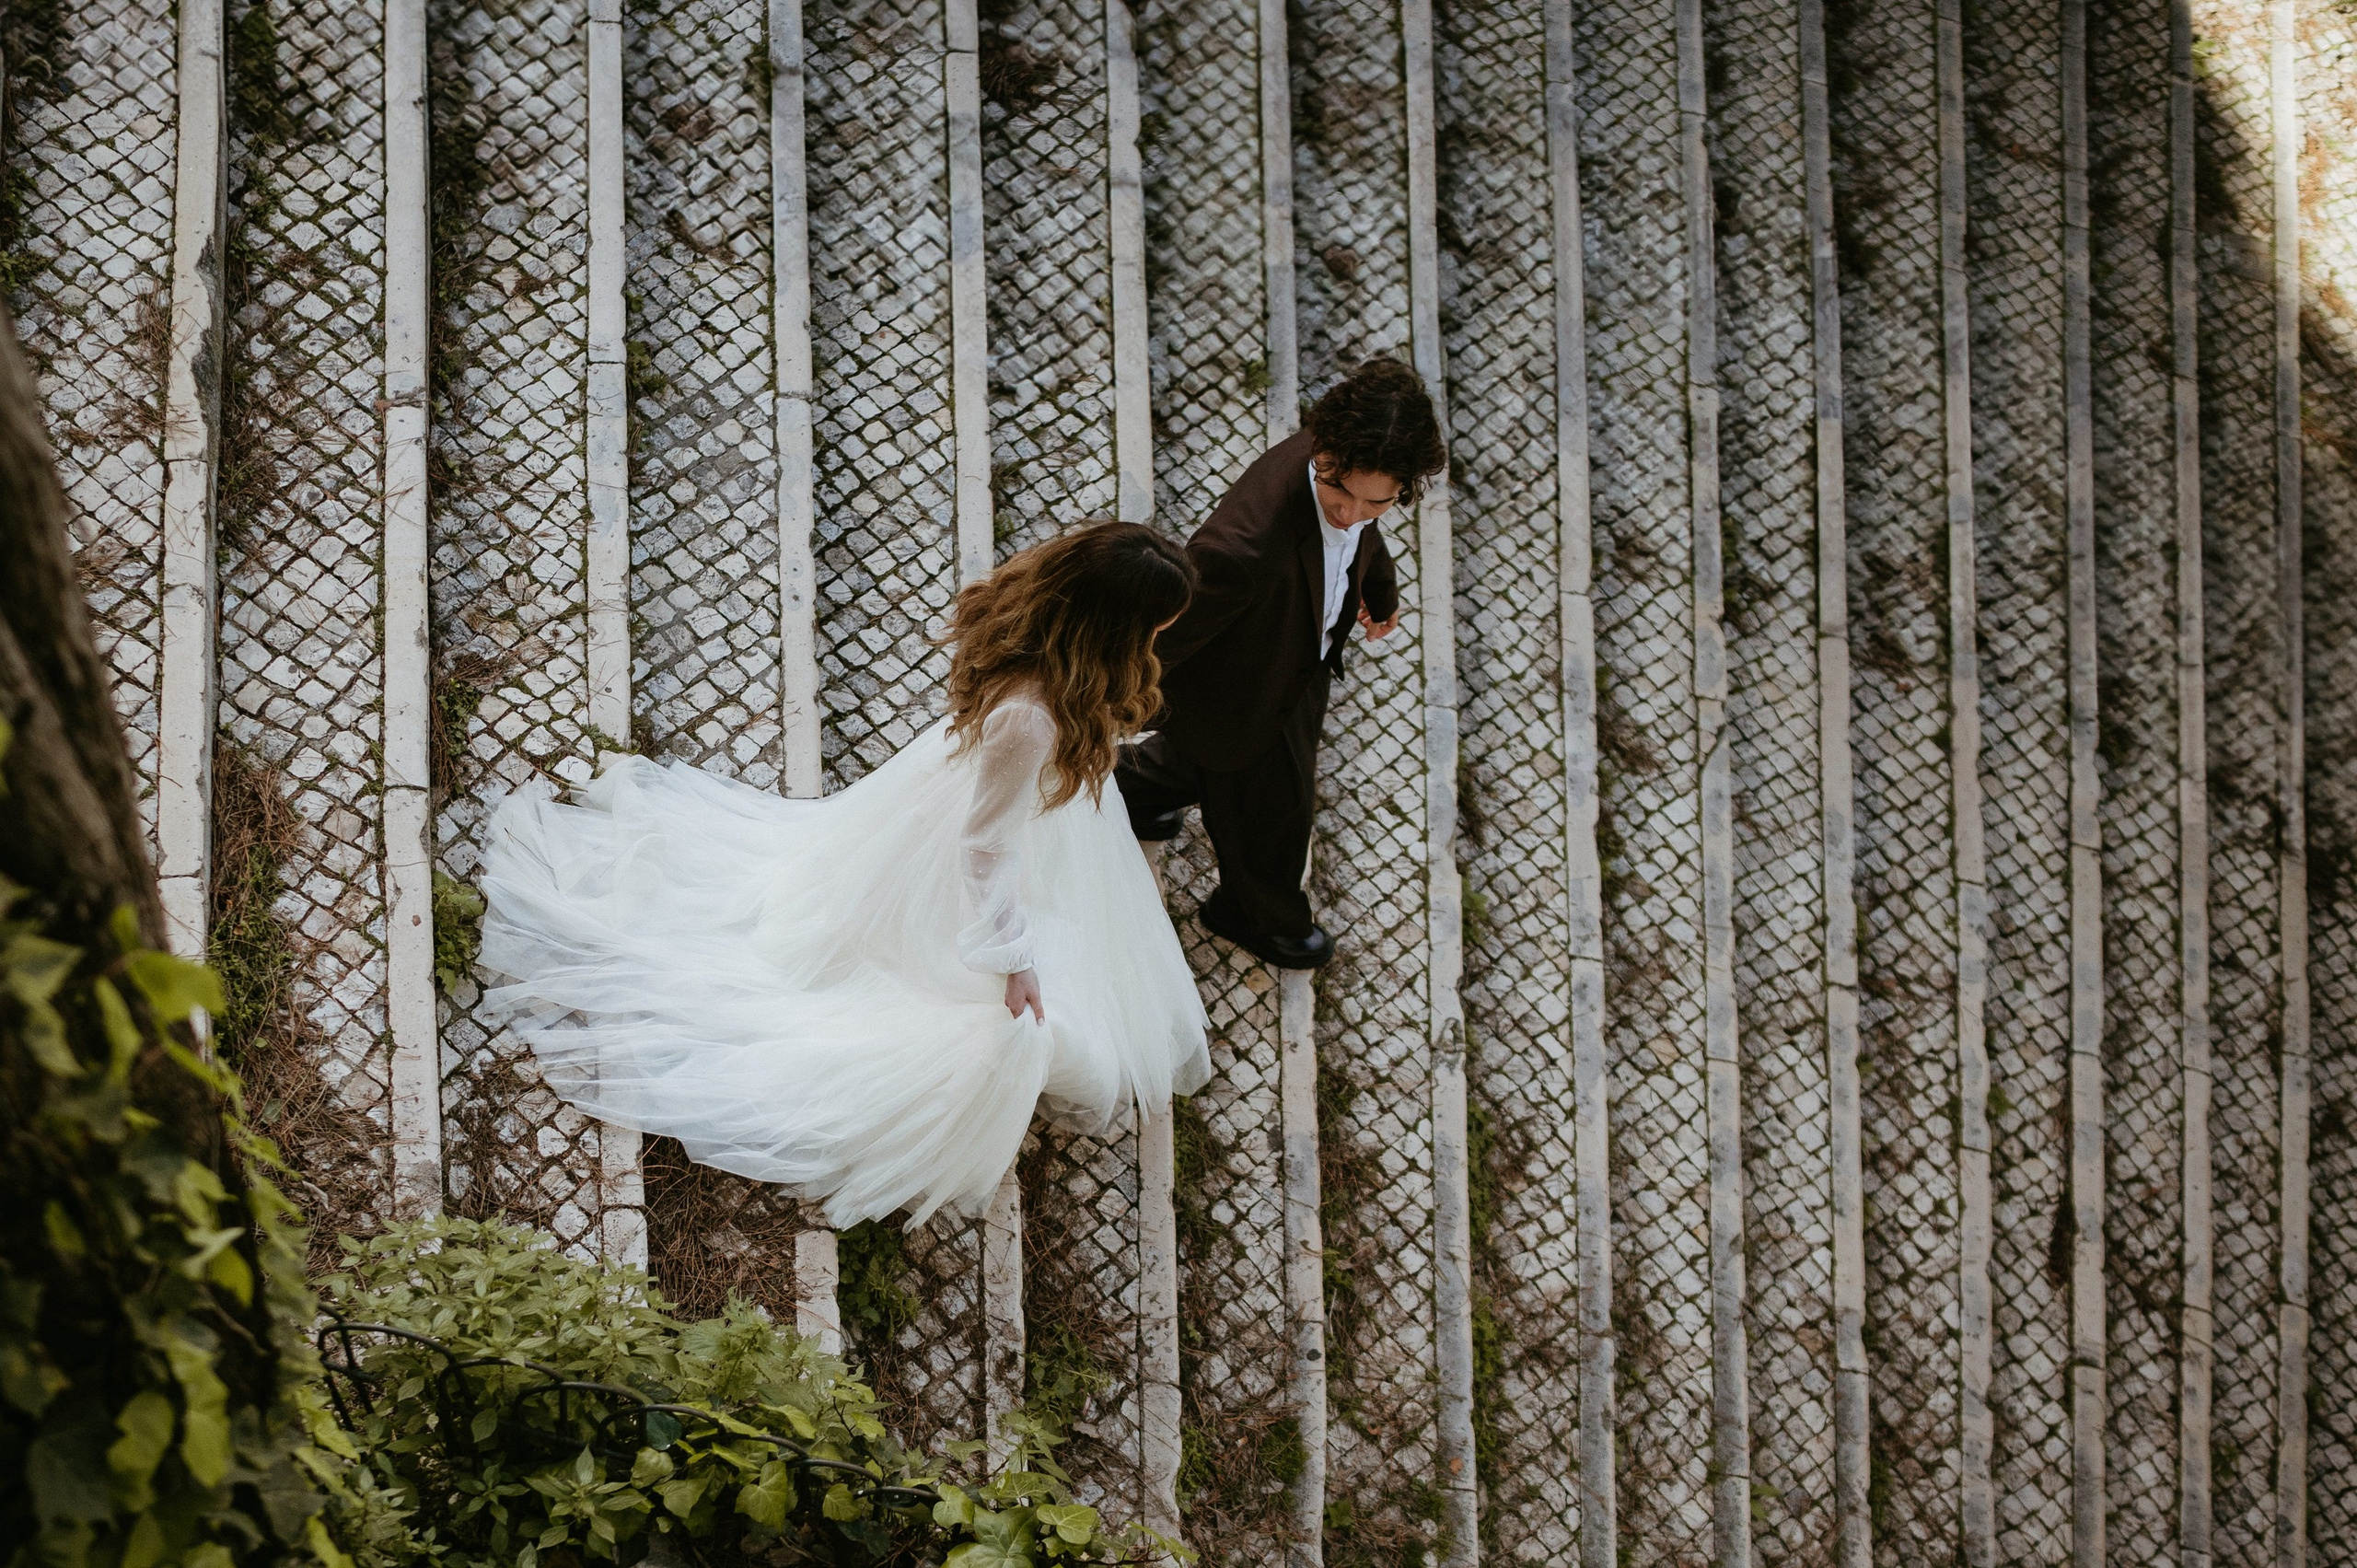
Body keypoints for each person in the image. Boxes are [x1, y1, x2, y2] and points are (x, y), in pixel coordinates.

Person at [475, 522, 1213, 1228]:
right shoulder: (1030, 718)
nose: (1159, 643)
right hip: (978, 847)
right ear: (1112, 628)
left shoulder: (1046, 645)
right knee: (1018, 1025)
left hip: (1007, 817)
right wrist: (1013, 960)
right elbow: (986, 851)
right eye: (1153, 629)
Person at [1115, 358, 1447, 969]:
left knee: (1205, 758)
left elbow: (1357, 541)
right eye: (1340, 491)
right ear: (1324, 449)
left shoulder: (1342, 463)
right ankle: (1255, 915)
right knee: (1277, 817)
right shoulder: (1244, 547)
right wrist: (1102, 696)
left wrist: (1379, 590)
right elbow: (1169, 634)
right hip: (1251, 693)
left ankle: (1136, 789)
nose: (1351, 512)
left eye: (1378, 501)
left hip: (1290, 661)